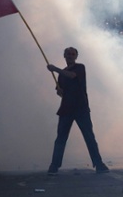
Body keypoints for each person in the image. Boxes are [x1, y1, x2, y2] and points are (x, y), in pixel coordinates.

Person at [46, 47, 109, 175]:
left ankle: (99, 164)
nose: (70, 56)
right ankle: (54, 165)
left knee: (89, 136)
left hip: (80, 108)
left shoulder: (80, 68)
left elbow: (72, 76)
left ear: (76, 56)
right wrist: (60, 91)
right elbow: (61, 92)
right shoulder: (62, 74)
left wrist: (54, 69)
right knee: (61, 139)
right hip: (66, 109)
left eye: (72, 54)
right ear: (64, 56)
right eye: (68, 54)